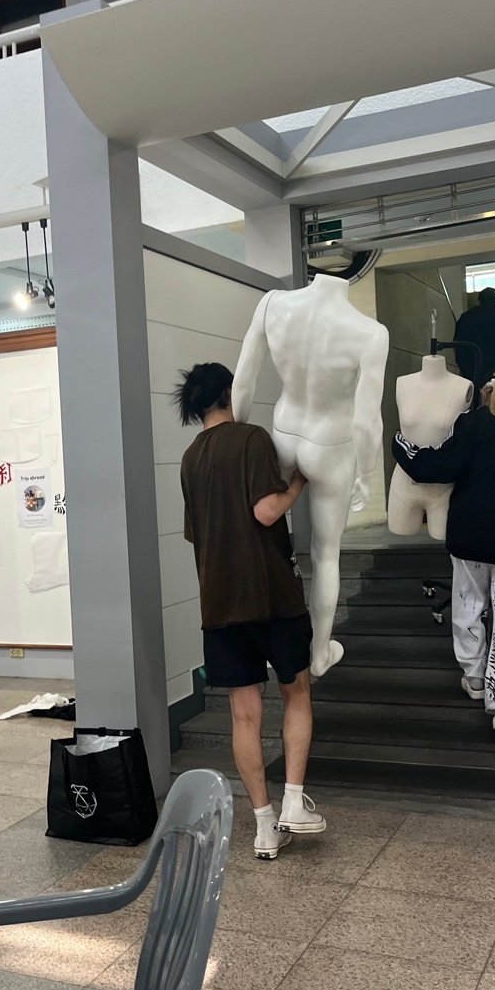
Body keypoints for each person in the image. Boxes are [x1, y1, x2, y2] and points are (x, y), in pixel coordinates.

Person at [175, 363, 327, 860]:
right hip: (271, 594)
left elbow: (195, 534)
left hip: (219, 602)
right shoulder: (252, 438)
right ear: (229, 392)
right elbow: (267, 511)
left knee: (244, 714)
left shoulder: (189, 458)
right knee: (296, 690)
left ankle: (264, 827)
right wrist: (297, 484)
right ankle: (293, 804)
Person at [392, 370, 495, 733]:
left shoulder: (474, 423)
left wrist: (401, 444)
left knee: (469, 604)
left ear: (484, 395)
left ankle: (475, 677)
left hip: (472, 535)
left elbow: (438, 467)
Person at [453, 287, 495, 387]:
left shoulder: (466, 317)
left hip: (473, 370)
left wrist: (463, 367)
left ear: (479, 300)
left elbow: (457, 345)